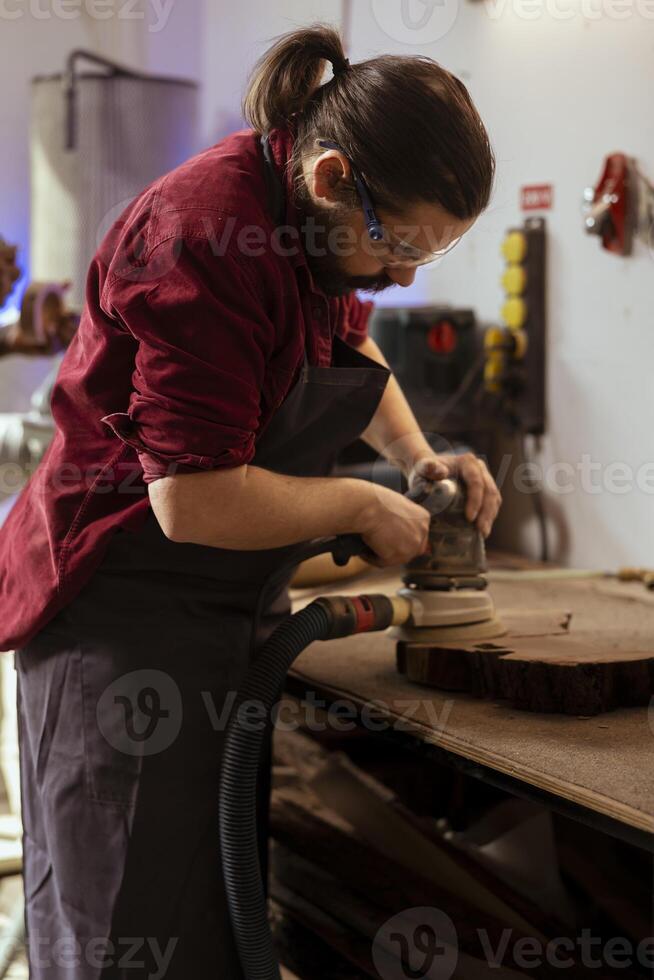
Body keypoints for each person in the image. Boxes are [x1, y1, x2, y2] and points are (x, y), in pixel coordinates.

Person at [0, 25, 501, 979]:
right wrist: (360, 500)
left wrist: (418, 455)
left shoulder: (324, 237)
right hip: (121, 612)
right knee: (124, 927)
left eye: (424, 260)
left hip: (222, 611)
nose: (400, 277)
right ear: (329, 179)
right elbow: (189, 502)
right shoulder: (202, 234)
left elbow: (350, 347)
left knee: (211, 910)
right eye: (398, 245)